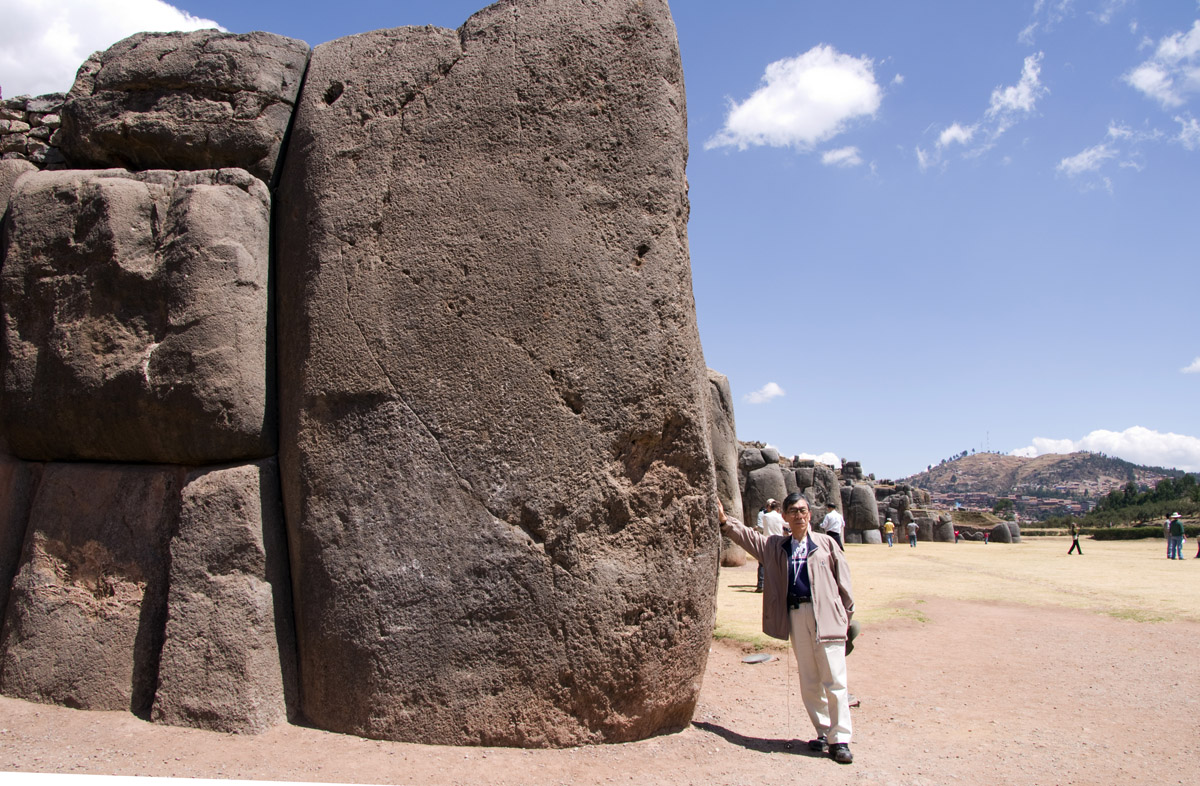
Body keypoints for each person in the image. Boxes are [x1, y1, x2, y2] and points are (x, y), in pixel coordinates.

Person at [717, 493, 855, 765]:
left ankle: (840, 739)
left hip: (827, 616)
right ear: (785, 517)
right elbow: (749, 538)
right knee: (809, 679)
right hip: (796, 615)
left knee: (834, 679)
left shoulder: (826, 544)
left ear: (810, 514)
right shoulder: (777, 546)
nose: (799, 516)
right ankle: (823, 731)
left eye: (803, 510)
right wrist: (724, 521)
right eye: (793, 511)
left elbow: (845, 584)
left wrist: (846, 618)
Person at [756, 500, 786, 591]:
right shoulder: (780, 516)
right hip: (778, 541)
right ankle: (777, 583)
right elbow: (787, 525)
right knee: (778, 563)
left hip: (767, 540)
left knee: (762, 563)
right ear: (778, 509)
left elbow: (762, 527)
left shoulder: (765, 516)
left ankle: (761, 584)